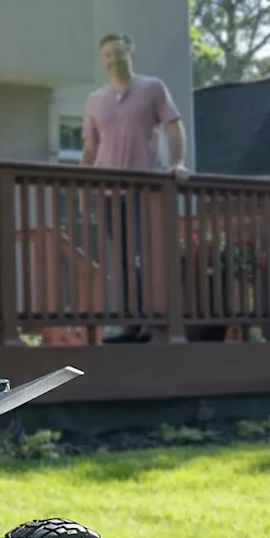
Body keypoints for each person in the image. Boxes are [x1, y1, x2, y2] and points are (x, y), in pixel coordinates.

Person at [81, 32, 189, 342]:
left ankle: (148, 322)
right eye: (108, 55)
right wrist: (81, 187)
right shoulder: (95, 101)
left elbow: (173, 126)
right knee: (121, 258)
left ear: (131, 54)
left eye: (119, 53)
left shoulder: (152, 88)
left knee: (145, 255)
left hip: (144, 189)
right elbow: (90, 149)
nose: (114, 59)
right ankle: (130, 322)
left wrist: (177, 163)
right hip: (107, 192)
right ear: (103, 61)